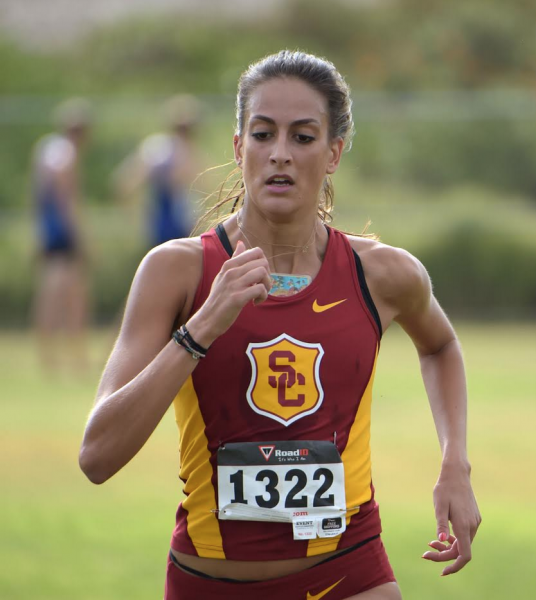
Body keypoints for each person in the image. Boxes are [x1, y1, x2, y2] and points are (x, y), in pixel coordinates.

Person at [79, 50, 481, 599]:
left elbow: (440, 346)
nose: (280, 155)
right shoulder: (176, 271)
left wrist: (454, 462)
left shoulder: (383, 273)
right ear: (239, 147)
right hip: (210, 583)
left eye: (303, 137)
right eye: (263, 134)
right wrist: (200, 330)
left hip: (351, 572)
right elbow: (97, 457)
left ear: (334, 151)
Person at [31, 97, 92, 372]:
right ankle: (72, 355)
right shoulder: (67, 152)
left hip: (48, 230)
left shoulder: (47, 147)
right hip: (62, 232)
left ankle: (50, 355)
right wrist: (77, 233)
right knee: (68, 293)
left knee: (53, 291)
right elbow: (65, 195)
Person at [112, 94, 203, 248]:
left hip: (181, 221)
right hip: (168, 219)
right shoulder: (161, 150)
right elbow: (127, 181)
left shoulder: (187, 151)